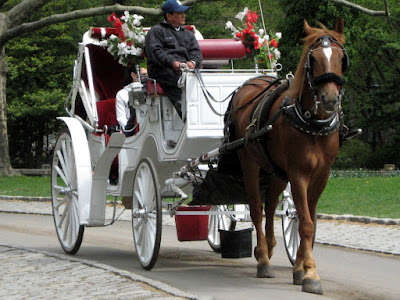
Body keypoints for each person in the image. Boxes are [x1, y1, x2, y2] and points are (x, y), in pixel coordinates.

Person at [145, 0, 203, 117]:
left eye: (183, 12)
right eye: (179, 13)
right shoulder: (156, 31)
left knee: (202, 78)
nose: (183, 15)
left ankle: (201, 110)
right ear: (169, 16)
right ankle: (185, 112)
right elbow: (155, 52)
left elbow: (196, 52)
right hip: (164, 70)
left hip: (186, 70)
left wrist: (193, 62)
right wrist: (173, 63)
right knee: (176, 79)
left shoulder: (188, 34)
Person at [115, 66, 147, 137]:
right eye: (143, 75)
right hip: (131, 130)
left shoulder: (151, 91)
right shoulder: (122, 94)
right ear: (133, 75)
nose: (146, 78)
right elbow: (121, 118)